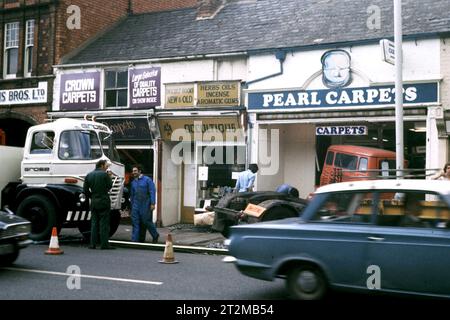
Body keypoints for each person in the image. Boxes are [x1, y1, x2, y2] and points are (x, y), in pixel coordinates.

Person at [83, 159, 114, 249]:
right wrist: (110, 177)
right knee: (104, 223)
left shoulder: (89, 175)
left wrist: (92, 196)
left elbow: (85, 190)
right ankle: (104, 244)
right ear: (101, 166)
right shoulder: (105, 174)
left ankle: (92, 244)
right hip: (104, 201)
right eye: (106, 166)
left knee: (94, 223)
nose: (107, 167)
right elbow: (109, 186)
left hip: (94, 202)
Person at [130, 165, 159, 243]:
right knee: (135, 222)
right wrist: (132, 206)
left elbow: (152, 191)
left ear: (140, 171)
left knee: (146, 221)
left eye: (135, 171)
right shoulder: (133, 182)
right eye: (133, 171)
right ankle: (135, 240)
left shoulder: (147, 180)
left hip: (145, 204)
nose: (134, 173)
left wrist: (153, 203)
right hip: (136, 205)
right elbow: (132, 195)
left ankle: (155, 235)